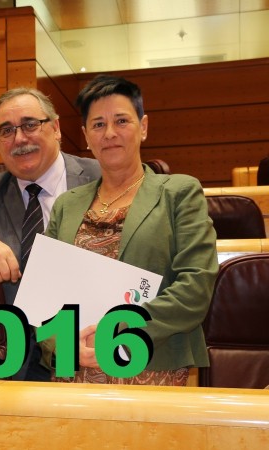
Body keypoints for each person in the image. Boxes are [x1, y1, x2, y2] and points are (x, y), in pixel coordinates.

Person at [44, 75, 217, 385]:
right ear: (85, 135)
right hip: (74, 371)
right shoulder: (66, 205)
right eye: (98, 124)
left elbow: (195, 287)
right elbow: (44, 296)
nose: (109, 133)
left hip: (151, 366)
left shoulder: (179, 193)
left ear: (143, 126)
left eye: (121, 121)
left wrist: (119, 329)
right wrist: (63, 344)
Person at [0, 88, 101, 381]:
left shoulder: (100, 176)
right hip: (21, 358)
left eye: (30, 124)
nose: (19, 139)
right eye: (7, 131)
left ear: (56, 128)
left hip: (95, 343)